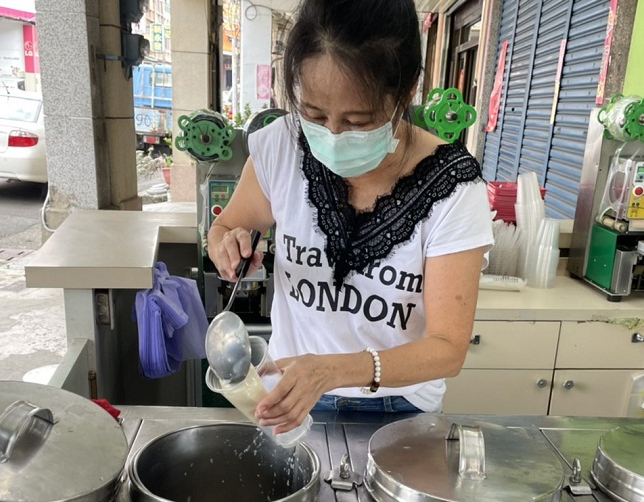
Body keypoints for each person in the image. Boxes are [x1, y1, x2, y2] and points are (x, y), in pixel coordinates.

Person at [207, 0, 493, 433]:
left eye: (358, 121)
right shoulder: (280, 148)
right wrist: (227, 244)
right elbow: (227, 227)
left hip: (401, 407)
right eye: (315, 115)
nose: (334, 137)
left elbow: (447, 349)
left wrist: (335, 370)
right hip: (292, 398)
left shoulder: (454, 188)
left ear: (406, 91)